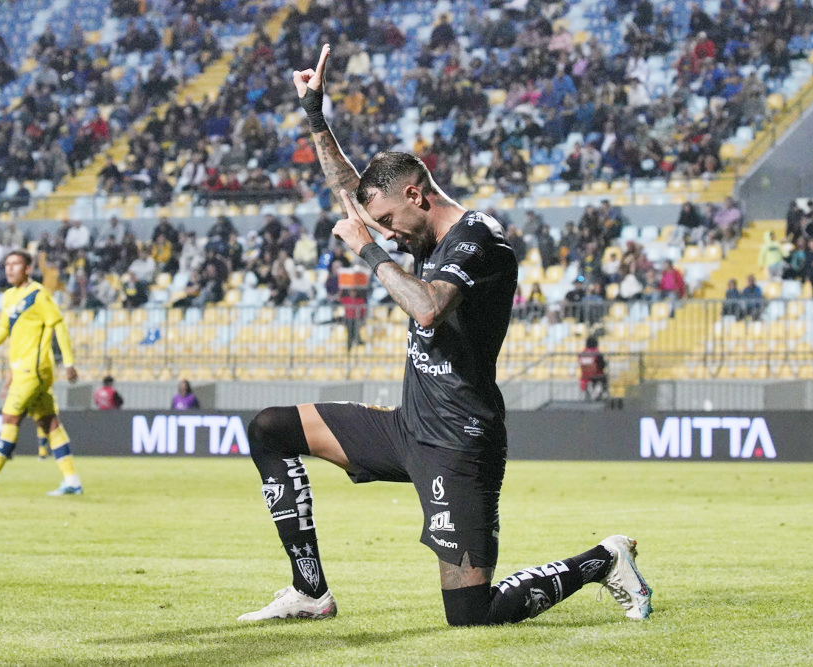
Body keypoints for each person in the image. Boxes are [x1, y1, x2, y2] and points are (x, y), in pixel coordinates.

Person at [236, 44, 652, 626]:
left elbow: (428, 309)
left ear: (415, 195)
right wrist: (315, 118)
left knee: (471, 614)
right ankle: (311, 592)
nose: (383, 233)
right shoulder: (422, 234)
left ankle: (604, 560)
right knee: (271, 428)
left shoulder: (478, 238)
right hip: (407, 426)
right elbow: (357, 201)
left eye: (387, 222)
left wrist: (369, 253)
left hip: (461, 441)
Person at [0, 250, 83, 496]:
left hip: (33, 368)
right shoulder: (9, 296)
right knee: (50, 423)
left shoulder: (38, 295)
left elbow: (58, 325)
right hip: (22, 368)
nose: (9, 269)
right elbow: (4, 328)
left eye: (15, 264)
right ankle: (72, 481)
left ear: (27, 269)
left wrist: (69, 362)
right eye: (7, 264)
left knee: (9, 417)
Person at [578, 335, 608, 401]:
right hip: (595, 375)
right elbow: (602, 365)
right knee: (605, 377)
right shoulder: (596, 352)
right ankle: (603, 394)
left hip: (585, 376)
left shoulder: (582, 353)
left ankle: (593, 393)